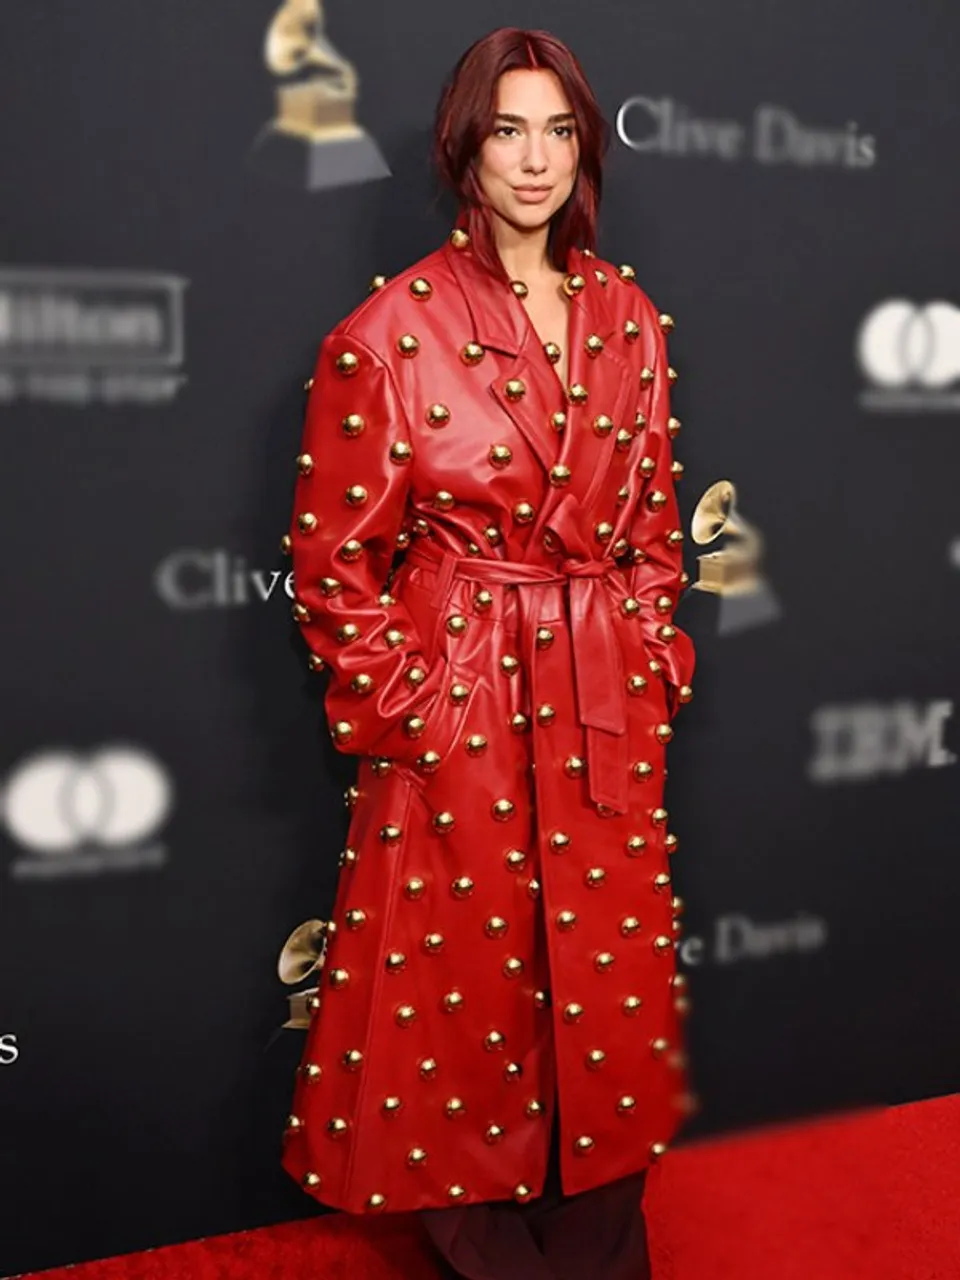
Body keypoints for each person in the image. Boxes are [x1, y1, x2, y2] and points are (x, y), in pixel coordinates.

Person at [280, 25, 696, 1280]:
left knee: (607, 1001)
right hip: (459, 702)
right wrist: (419, 708)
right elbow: (331, 566)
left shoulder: (629, 316)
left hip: (598, 700)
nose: (536, 159)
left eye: (559, 130)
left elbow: (658, 530)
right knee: (455, 1009)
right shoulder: (391, 329)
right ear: (467, 144)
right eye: (509, 129)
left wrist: (650, 657)